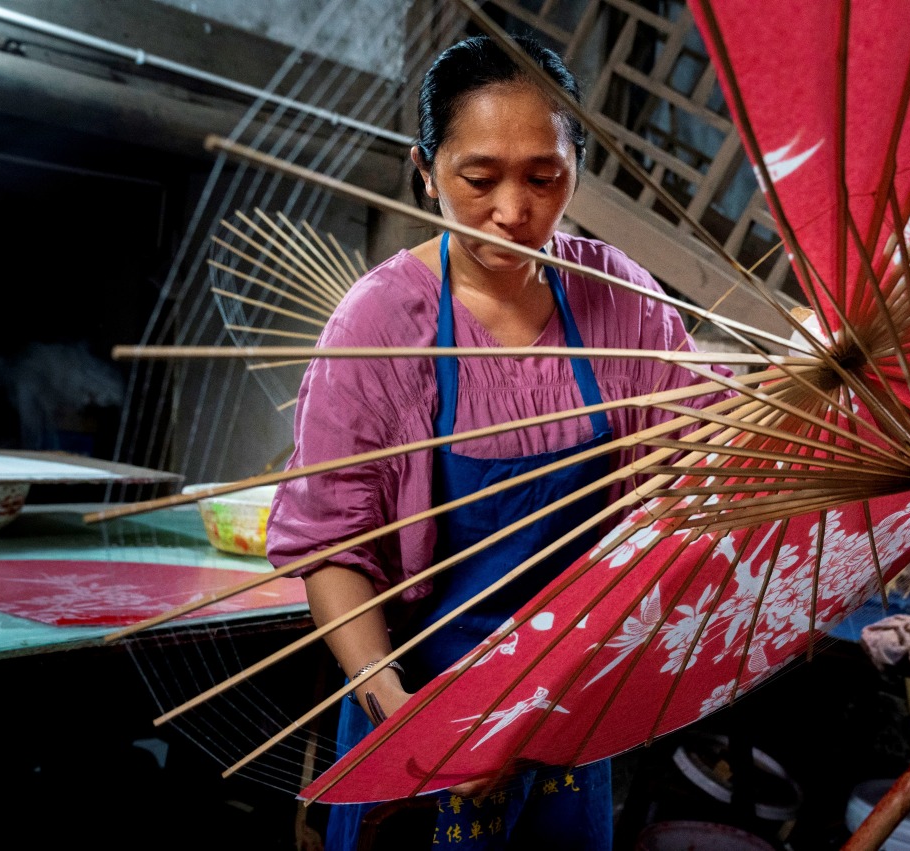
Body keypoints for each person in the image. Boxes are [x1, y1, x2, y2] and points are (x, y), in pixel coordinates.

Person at [267, 32, 732, 851]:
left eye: (545, 178)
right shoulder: (378, 325)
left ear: (577, 167)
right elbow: (333, 545)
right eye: (478, 179)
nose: (514, 212)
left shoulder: (619, 299)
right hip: (420, 708)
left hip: (568, 707)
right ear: (425, 168)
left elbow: (686, 473)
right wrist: (403, 716)